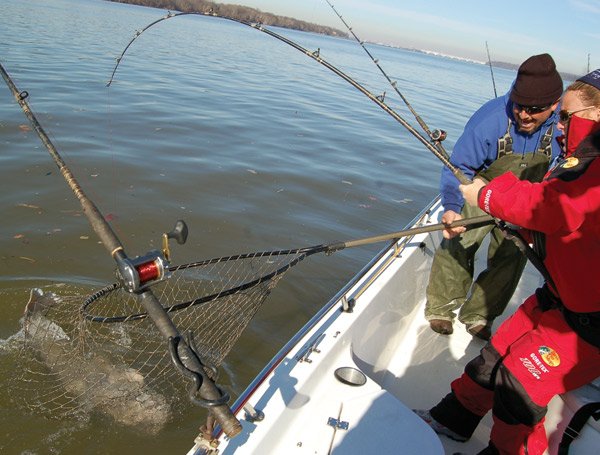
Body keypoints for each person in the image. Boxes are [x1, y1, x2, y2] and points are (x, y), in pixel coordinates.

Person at [415, 69, 600, 455]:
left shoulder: (593, 166)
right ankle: (453, 419)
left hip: (588, 325)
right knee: (495, 355)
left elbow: (557, 207)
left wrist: (487, 196)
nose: (561, 126)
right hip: (559, 299)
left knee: (518, 386)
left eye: (567, 116)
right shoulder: (577, 158)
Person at [425, 54, 564, 340]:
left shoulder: (564, 125)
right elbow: (458, 168)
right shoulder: (489, 120)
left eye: (535, 109)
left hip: (528, 196)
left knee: (514, 253)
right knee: (461, 239)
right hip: (483, 186)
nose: (524, 115)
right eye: (519, 106)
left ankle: (479, 314)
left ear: (554, 105)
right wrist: (451, 208)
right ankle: (442, 306)